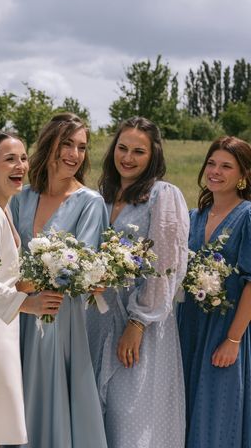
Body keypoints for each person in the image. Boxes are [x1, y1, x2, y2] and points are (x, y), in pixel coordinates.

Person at [86, 117, 189, 447]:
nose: (127, 158)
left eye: (138, 151)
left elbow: (167, 266)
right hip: (98, 319)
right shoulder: (102, 197)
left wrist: (138, 322)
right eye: (122, 148)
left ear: (153, 155)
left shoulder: (163, 195)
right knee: (98, 415)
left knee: (132, 412)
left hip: (141, 323)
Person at [10, 112, 108, 448]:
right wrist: (20, 294)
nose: (74, 154)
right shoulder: (21, 197)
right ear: (49, 143)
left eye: (81, 147)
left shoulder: (90, 203)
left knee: (50, 396)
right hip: (17, 313)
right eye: (67, 144)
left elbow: (84, 267)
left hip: (58, 316)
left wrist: (32, 288)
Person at [0, 131, 64, 447]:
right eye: (9, 159)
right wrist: (30, 304)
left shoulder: (3, 206)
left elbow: (1, 268)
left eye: (23, 158)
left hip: (4, 328)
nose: (20, 166)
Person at [177, 136, 251, 447]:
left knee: (216, 414)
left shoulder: (248, 215)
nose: (215, 172)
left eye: (226, 166)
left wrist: (233, 340)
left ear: (243, 175)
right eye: (211, 163)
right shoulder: (193, 216)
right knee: (186, 411)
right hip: (187, 326)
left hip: (226, 330)